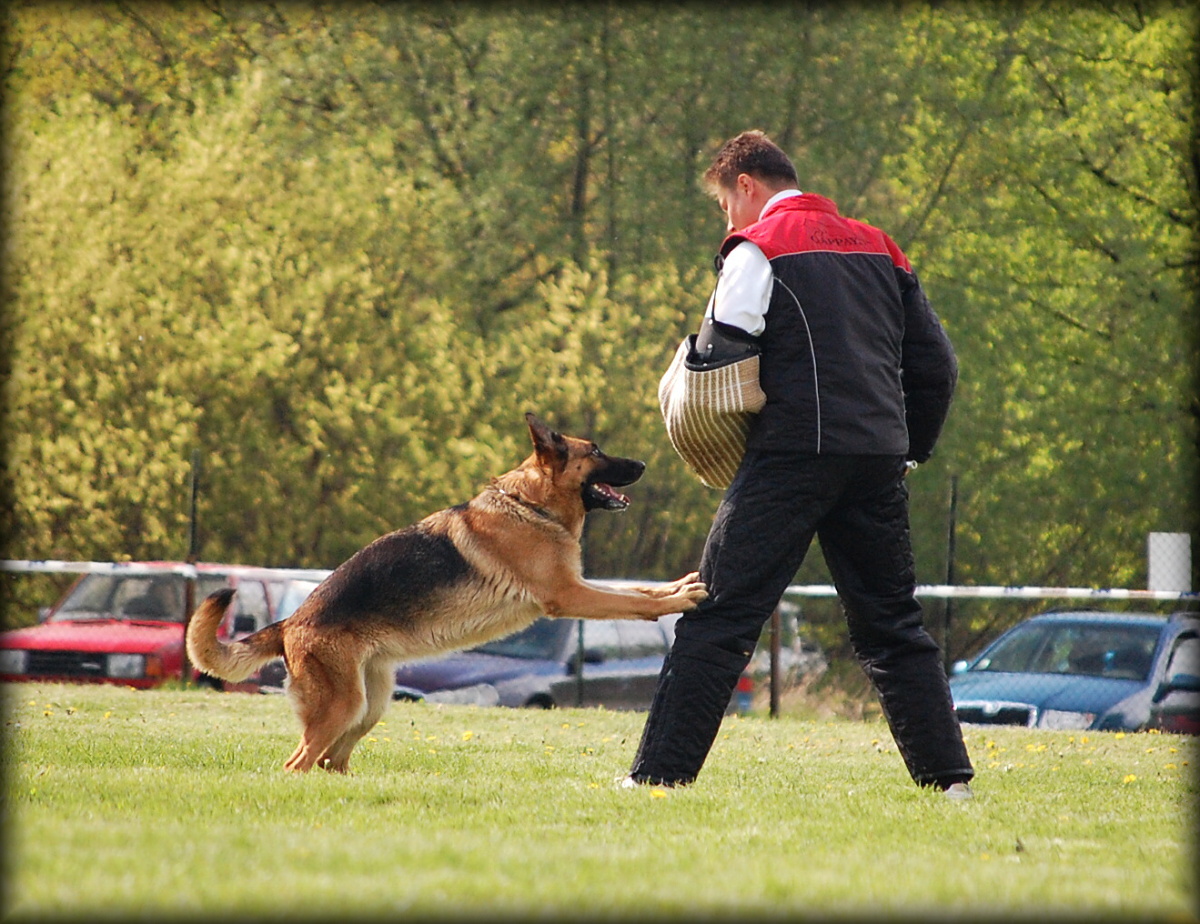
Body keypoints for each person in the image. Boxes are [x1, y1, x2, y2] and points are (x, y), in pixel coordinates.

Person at [624, 130, 974, 798]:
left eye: (726, 203)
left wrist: (713, 435)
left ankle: (660, 777)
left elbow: (721, 353)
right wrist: (909, 449)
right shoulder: (880, 245)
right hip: (875, 458)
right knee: (893, 626)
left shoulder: (758, 246)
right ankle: (949, 782)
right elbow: (936, 365)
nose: (728, 219)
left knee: (720, 614)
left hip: (790, 457)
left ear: (746, 186)